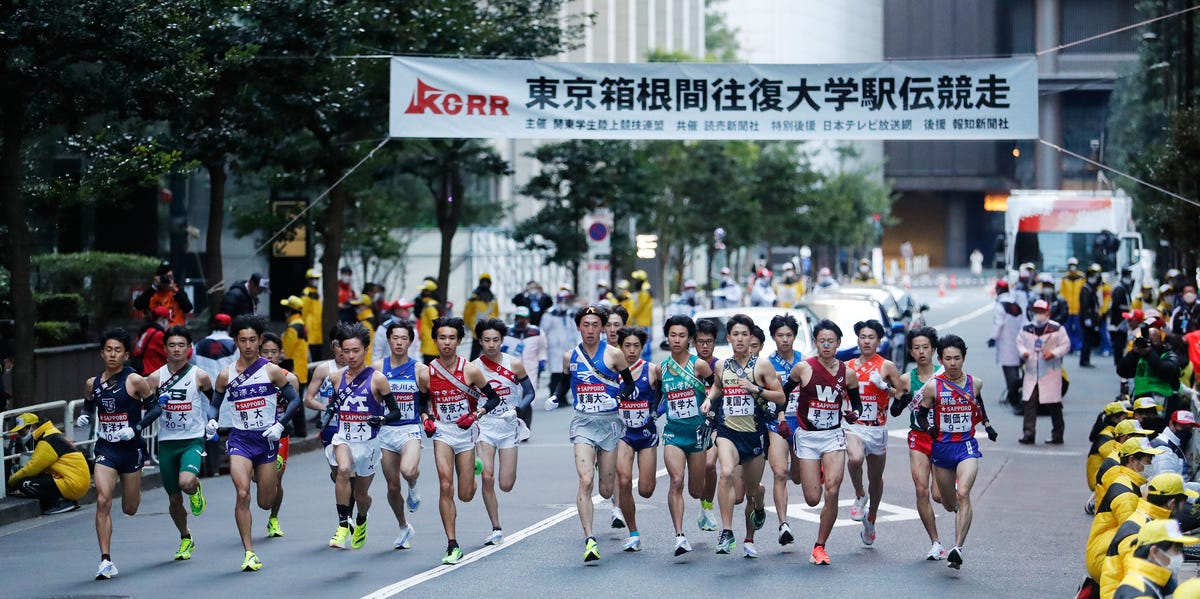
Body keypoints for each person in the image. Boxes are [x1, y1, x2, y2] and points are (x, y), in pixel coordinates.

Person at [209, 314, 303, 572]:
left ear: (259, 340)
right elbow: (214, 406)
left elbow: (295, 400)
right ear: (235, 342)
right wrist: (212, 422)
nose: (248, 345)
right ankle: (249, 552)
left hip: (267, 439)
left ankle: (262, 477)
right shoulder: (225, 375)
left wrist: (280, 424)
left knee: (265, 501)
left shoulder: (271, 370)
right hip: (240, 439)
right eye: (243, 340)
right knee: (242, 493)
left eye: (252, 340)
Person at [76, 328, 158, 580]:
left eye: (118, 351)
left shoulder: (134, 381)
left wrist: (134, 429)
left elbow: (156, 409)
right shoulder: (92, 383)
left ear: (126, 354)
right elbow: (90, 404)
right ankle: (105, 560)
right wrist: (85, 416)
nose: (112, 355)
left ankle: (132, 494)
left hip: (131, 450)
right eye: (108, 350)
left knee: (130, 507)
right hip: (106, 448)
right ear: (102, 353)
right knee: (102, 499)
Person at [422, 317, 505, 565]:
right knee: (445, 486)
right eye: (442, 338)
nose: (446, 343)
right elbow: (421, 400)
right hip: (443, 433)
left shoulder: (470, 370)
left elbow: (493, 399)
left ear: (459, 341)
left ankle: (472, 472)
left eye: (451, 338)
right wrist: (426, 417)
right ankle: (452, 544)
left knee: (466, 494)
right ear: (435, 340)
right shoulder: (427, 372)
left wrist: (475, 415)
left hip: (465, 433)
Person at [701, 314, 785, 559]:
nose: (739, 339)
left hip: (754, 435)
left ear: (751, 338)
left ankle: (759, 508)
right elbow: (718, 386)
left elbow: (780, 397)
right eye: (735, 334)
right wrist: (709, 400)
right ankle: (727, 532)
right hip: (728, 431)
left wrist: (755, 389)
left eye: (744, 334)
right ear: (728, 338)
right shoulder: (721, 365)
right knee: (726, 472)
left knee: (751, 490)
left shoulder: (762, 366)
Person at [915, 334, 999, 569]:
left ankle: (957, 548)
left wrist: (988, 425)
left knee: (963, 493)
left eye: (957, 358)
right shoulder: (933, 387)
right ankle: (957, 511)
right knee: (947, 501)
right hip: (942, 449)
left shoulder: (976, 382)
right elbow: (920, 415)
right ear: (940, 359)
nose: (953, 364)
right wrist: (929, 428)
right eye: (948, 359)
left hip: (966, 447)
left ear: (964, 358)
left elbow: (978, 404)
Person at [782, 319, 861, 565]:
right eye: (821, 341)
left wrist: (854, 413)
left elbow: (856, 403)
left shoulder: (847, 374)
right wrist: (780, 415)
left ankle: (819, 546)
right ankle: (819, 470)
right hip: (807, 437)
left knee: (833, 491)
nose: (826, 345)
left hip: (833, 435)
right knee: (812, 499)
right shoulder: (803, 369)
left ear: (838, 343)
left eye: (831, 341)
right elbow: (782, 395)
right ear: (816, 343)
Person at [564, 305, 637, 562]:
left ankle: (600, 467)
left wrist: (618, 394)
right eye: (586, 325)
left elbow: (628, 383)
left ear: (603, 328)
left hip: (608, 424)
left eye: (596, 325)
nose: (591, 330)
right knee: (585, 482)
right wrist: (554, 396)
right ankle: (590, 539)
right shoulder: (570, 356)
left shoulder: (615, 355)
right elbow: (566, 381)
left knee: (606, 490)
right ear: (579, 327)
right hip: (583, 423)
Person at [323, 323, 404, 551]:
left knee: (361, 495)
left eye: (355, 350)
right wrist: (327, 416)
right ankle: (342, 525)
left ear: (366, 350)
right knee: (343, 470)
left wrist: (382, 420)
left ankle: (361, 519)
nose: (350, 355)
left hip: (368, 443)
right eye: (346, 351)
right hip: (344, 437)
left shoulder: (378, 379)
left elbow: (395, 411)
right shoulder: (336, 378)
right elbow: (334, 404)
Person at [146, 326, 214, 560]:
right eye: (172, 345)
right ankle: (186, 538)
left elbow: (213, 402)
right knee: (174, 498)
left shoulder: (200, 376)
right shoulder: (155, 378)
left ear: (189, 348)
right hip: (166, 442)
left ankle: (195, 490)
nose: (176, 349)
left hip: (192, 439)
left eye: (181, 345)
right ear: (164, 349)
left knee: (186, 482)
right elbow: (145, 406)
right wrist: (155, 403)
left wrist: (213, 423)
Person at [474, 318, 535, 546]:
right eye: (487, 340)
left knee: (506, 484)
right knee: (487, 476)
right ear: (480, 341)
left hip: (508, 426)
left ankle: (497, 524)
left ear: (502, 340)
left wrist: (518, 410)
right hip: (485, 426)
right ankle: (496, 527)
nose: (491, 345)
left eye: (496, 340)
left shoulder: (514, 364)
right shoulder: (473, 368)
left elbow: (529, 392)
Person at [658, 314, 714, 556]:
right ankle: (679, 536)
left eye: (682, 335)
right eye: (672, 335)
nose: (676, 340)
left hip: (698, 435)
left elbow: (717, 388)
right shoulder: (661, 369)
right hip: (674, 434)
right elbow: (657, 399)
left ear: (690, 339)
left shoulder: (699, 365)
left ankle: (705, 506)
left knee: (695, 489)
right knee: (676, 481)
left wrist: (710, 403)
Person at [890, 326, 947, 559]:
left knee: (938, 495)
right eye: (916, 348)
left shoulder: (944, 375)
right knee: (921, 490)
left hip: (943, 438)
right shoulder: (906, 379)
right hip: (918, 437)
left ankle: (953, 494)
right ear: (911, 352)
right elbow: (894, 411)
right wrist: (903, 400)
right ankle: (936, 542)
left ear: (933, 350)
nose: (921, 352)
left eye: (925, 347)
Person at [845, 319, 903, 546]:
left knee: (876, 479)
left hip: (877, 428)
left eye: (871, 337)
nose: (866, 341)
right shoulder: (848, 365)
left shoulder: (886, 366)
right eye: (862, 337)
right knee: (855, 458)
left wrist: (884, 387)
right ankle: (860, 494)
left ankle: (872, 517)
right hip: (854, 425)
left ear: (879, 341)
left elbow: (901, 395)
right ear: (857, 339)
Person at [371, 319, 428, 550]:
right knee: (393, 486)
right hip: (385, 431)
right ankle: (404, 526)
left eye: (404, 338)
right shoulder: (377, 368)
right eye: (395, 338)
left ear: (410, 342)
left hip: (409, 428)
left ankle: (413, 485)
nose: (399, 342)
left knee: (408, 471)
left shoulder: (419, 369)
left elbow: (429, 398)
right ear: (388, 340)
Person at [1100, 475, 1199, 599]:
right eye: (1183, 503)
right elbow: (1132, 583)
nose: (1184, 508)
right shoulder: (1138, 532)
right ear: (1172, 503)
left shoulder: (1149, 521)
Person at [1084, 437, 1163, 589]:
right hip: (1104, 558)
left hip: (1105, 552)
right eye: (1148, 459)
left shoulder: (1129, 482)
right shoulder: (1126, 495)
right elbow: (1131, 538)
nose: (1151, 464)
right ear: (1132, 460)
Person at [612, 327, 660, 552]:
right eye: (627, 346)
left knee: (646, 490)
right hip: (624, 433)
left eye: (636, 346)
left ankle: (633, 528)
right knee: (623, 481)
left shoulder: (652, 370)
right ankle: (633, 533)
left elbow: (665, 394)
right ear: (620, 347)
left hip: (647, 435)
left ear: (642, 348)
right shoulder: (613, 371)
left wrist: (655, 411)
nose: (631, 351)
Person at [765, 314, 803, 547]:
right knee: (779, 473)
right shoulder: (766, 364)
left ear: (795, 337)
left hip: (802, 424)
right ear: (773, 337)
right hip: (776, 424)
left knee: (797, 478)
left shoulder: (804, 362)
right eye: (780, 335)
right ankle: (783, 524)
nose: (785, 340)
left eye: (789, 335)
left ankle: (795, 469)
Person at [257, 332, 299, 538]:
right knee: (257, 479)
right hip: (254, 435)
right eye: (265, 352)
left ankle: (273, 518)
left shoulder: (289, 378)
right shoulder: (250, 376)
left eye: (274, 352)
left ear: (281, 353)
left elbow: (294, 406)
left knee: (275, 480)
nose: (270, 355)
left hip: (279, 434)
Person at [6, 414, 89, 515]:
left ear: (33, 427)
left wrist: (11, 481)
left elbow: (32, 468)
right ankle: (65, 500)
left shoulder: (46, 441)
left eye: (22, 432)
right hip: (75, 480)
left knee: (24, 483)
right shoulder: (51, 434)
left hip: (72, 483)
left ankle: (57, 503)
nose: (20, 436)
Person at [1016, 299, 1071, 444]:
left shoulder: (1057, 329)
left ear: (1048, 312)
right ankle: (1028, 434)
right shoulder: (1026, 328)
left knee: (1054, 404)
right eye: (1036, 312)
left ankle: (1057, 434)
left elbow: (1066, 345)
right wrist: (1024, 353)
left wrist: (1053, 353)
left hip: (1050, 372)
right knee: (1029, 402)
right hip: (1031, 372)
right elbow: (1019, 343)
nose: (1038, 314)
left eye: (1041, 312)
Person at [1111, 519, 1197, 599]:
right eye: (1176, 550)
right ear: (1154, 552)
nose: (1180, 556)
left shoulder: (1154, 583)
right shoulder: (1141, 594)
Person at [1117, 321, 1183, 415]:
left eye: (1153, 341)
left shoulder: (1168, 355)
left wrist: (1149, 353)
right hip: (1140, 400)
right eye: (1148, 341)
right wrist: (1133, 354)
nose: (1150, 344)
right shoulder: (1139, 355)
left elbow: (1166, 371)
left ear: (1161, 342)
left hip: (1164, 400)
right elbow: (1122, 371)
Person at [694, 317, 722, 532]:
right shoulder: (689, 366)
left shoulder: (721, 367)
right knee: (697, 472)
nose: (705, 346)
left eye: (709, 341)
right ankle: (702, 502)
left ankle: (708, 507)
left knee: (710, 465)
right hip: (692, 424)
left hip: (716, 423)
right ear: (694, 343)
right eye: (701, 341)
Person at [990, 280, 1025, 415]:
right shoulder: (1016, 305)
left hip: (1006, 342)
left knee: (1009, 370)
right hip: (1018, 341)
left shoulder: (1000, 306)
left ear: (998, 290)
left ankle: (1014, 397)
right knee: (1016, 369)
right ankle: (1015, 394)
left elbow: (998, 324)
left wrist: (993, 337)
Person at [541, 289, 579, 407]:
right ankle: (554, 397)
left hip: (567, 347)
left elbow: (574, 331)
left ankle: (563, 398)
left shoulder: (570, 314)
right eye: (563, 300)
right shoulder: (550, 314)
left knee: (567, 373)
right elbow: (543, 331)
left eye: (567, 300)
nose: (565, 303)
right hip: (555, 348)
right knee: (556, 374)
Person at [132, 261, 193, 326]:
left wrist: (174, 291)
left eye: (170, 277)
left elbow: (188, 308)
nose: (167, 280)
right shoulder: (151, 293)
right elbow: (137, 306)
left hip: (175, 332)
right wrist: (154, 287)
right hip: (156, 332)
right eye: (164, 277)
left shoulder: (178, 292)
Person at [464, 273, 500, 360]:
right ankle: (472, 372)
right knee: (474, 356)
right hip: (477, 331)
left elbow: (496, 313)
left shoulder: (493, 299)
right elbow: (467, 314)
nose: (485, 284)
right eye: (483, 282)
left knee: (490, 356)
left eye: (487, 282)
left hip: (489, 331)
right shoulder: (473, 299)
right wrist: (469, 327)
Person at [193, 314, 236, 379]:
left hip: (204, 386)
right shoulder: (234, 345)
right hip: (226, 386)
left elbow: (193, 363)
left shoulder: (199, 345)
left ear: (213, 325)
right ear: (229, 326)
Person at [279, 296, 310, 389]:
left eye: (286, 309)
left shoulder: (293, 328)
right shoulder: (301, 325)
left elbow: (286, 352)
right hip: (302, 371)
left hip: (293, 372)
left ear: (289, 311)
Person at [132, 306, 171, 376]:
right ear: (162, 319)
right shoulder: (158, 335)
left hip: (143, 371)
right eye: (168, 320)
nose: (169, 324)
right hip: (152, 373)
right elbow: (172, 354)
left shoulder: (145, 331)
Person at [1109, 269, 1135, 366]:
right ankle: (1118, 361)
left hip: (1122, 319)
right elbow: (1116, 305)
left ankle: (1119, 360)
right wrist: (1127, 308)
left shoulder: (1124, 287)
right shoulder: (1119, 288)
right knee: (1119, 342)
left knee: (1122, 341)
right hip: (1118, 320)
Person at [1080, 264, 1104, 367]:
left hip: (1091, 318)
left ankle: (1086, 359)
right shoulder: (1086, 289)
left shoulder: (1091, 288)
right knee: (1087, 340)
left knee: (1088, 340)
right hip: (1087, 318)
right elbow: (1085, 306)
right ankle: (1084, 360)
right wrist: (1087, 318)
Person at [1062, 257, 1086, 350]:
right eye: (1071, 265)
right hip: (1068, 309)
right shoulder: (1065, 278)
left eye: (1074, 266)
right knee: (1067, 329)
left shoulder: (1082, 277)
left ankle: (1079, 346)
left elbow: (1084, 293)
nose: (1072, 267)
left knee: (1078, 329)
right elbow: (1062, 293)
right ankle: (1068, 346)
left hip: (1078, 308)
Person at [630, 271, 654, 361]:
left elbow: (639, 306)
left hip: (642, 321)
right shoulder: (645, 289)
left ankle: (647, 365)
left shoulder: (644, 290)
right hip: (643, 321)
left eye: (636, 279)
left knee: (645, 344)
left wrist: (631, 314)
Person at [417, 280, 441, 364]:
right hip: (429, 344)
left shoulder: (430, 306)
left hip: (431, 347)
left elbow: (436, 324)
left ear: (430, 292)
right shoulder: (428, 305)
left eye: (424, 290)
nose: (422, 293)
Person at [303, 268, 324, 360]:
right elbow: (304, 312)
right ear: (308, 280)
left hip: (317, 333)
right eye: (313, 279)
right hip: (310, 333)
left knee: (317, 358)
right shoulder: (306, 293)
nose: (315, 281)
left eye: (317, 279)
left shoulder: (316, 293)